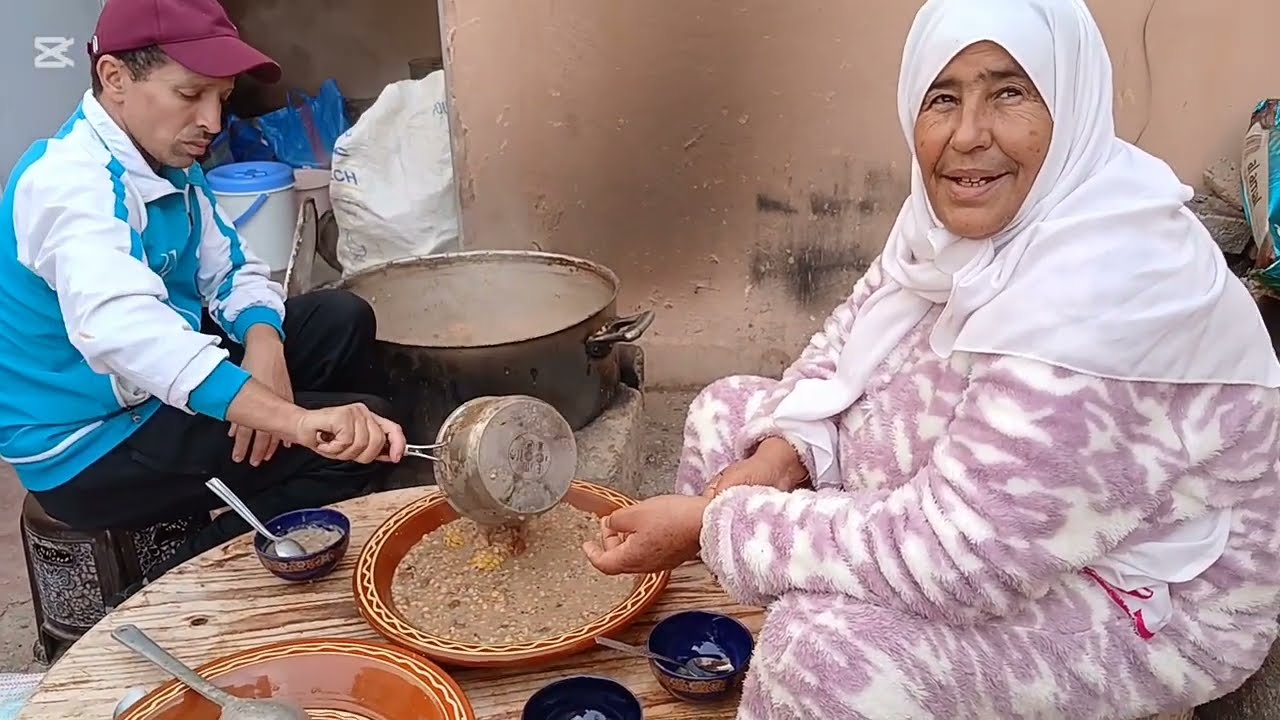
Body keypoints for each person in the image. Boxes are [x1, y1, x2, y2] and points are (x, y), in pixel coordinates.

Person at [582, 0, 1280, 717]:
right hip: (1011, 519)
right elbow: (840, 349)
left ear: (1070, 103)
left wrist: (715, 524)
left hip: (1141, 600)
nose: (968, 136)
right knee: (728, 414)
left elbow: (962, 559)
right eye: (942, 98)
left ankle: (822, 661)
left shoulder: (1110, 286)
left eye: (1009, 93)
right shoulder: (949, 225)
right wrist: (778, 459)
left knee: (822, 653)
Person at [0, 0, 407, 584]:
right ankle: (187, 571)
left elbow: (233, 269)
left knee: (342, 316)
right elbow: (130, 336)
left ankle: (297, 461)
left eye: (222, 96)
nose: (213, 121)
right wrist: (288, 419)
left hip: (152, 389)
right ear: (114, 78)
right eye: (191, 94)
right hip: (92, 440)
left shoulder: (168, 161)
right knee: (356, 437)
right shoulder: (69, 185)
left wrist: (264, 347)